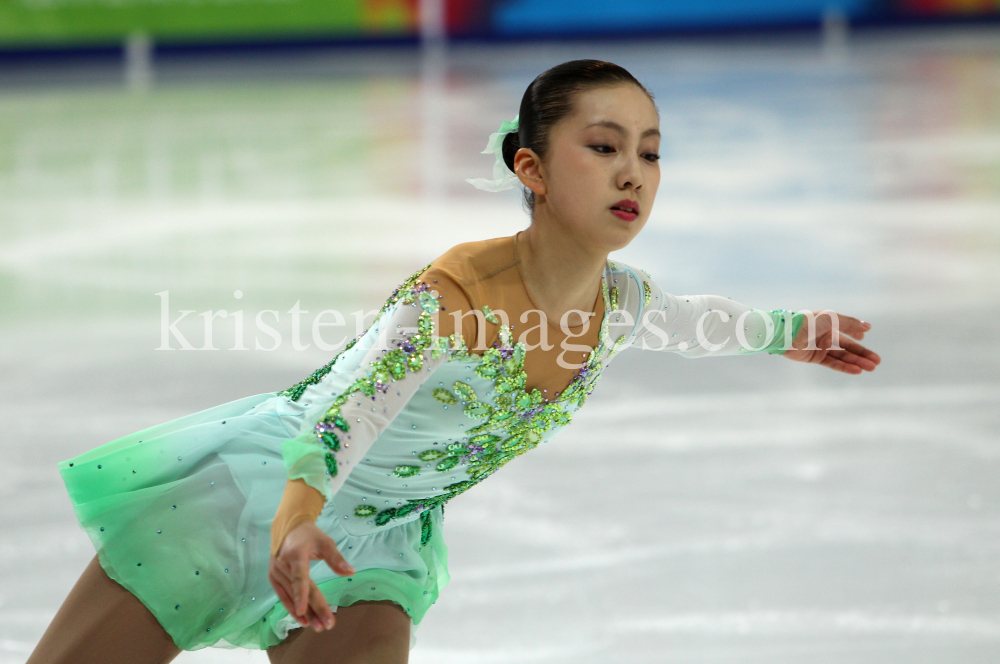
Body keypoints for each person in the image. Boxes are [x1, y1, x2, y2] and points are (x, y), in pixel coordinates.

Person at [27, 59, 881, 664]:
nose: (634, 173)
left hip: (376, 547)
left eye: (650, 152)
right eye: (604, 146)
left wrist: (791, 330)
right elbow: (343, 413)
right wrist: (292, 524)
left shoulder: (617, 303)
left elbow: (694, 321)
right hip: (253, 502)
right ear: (531, 168)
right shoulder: (456, 297)